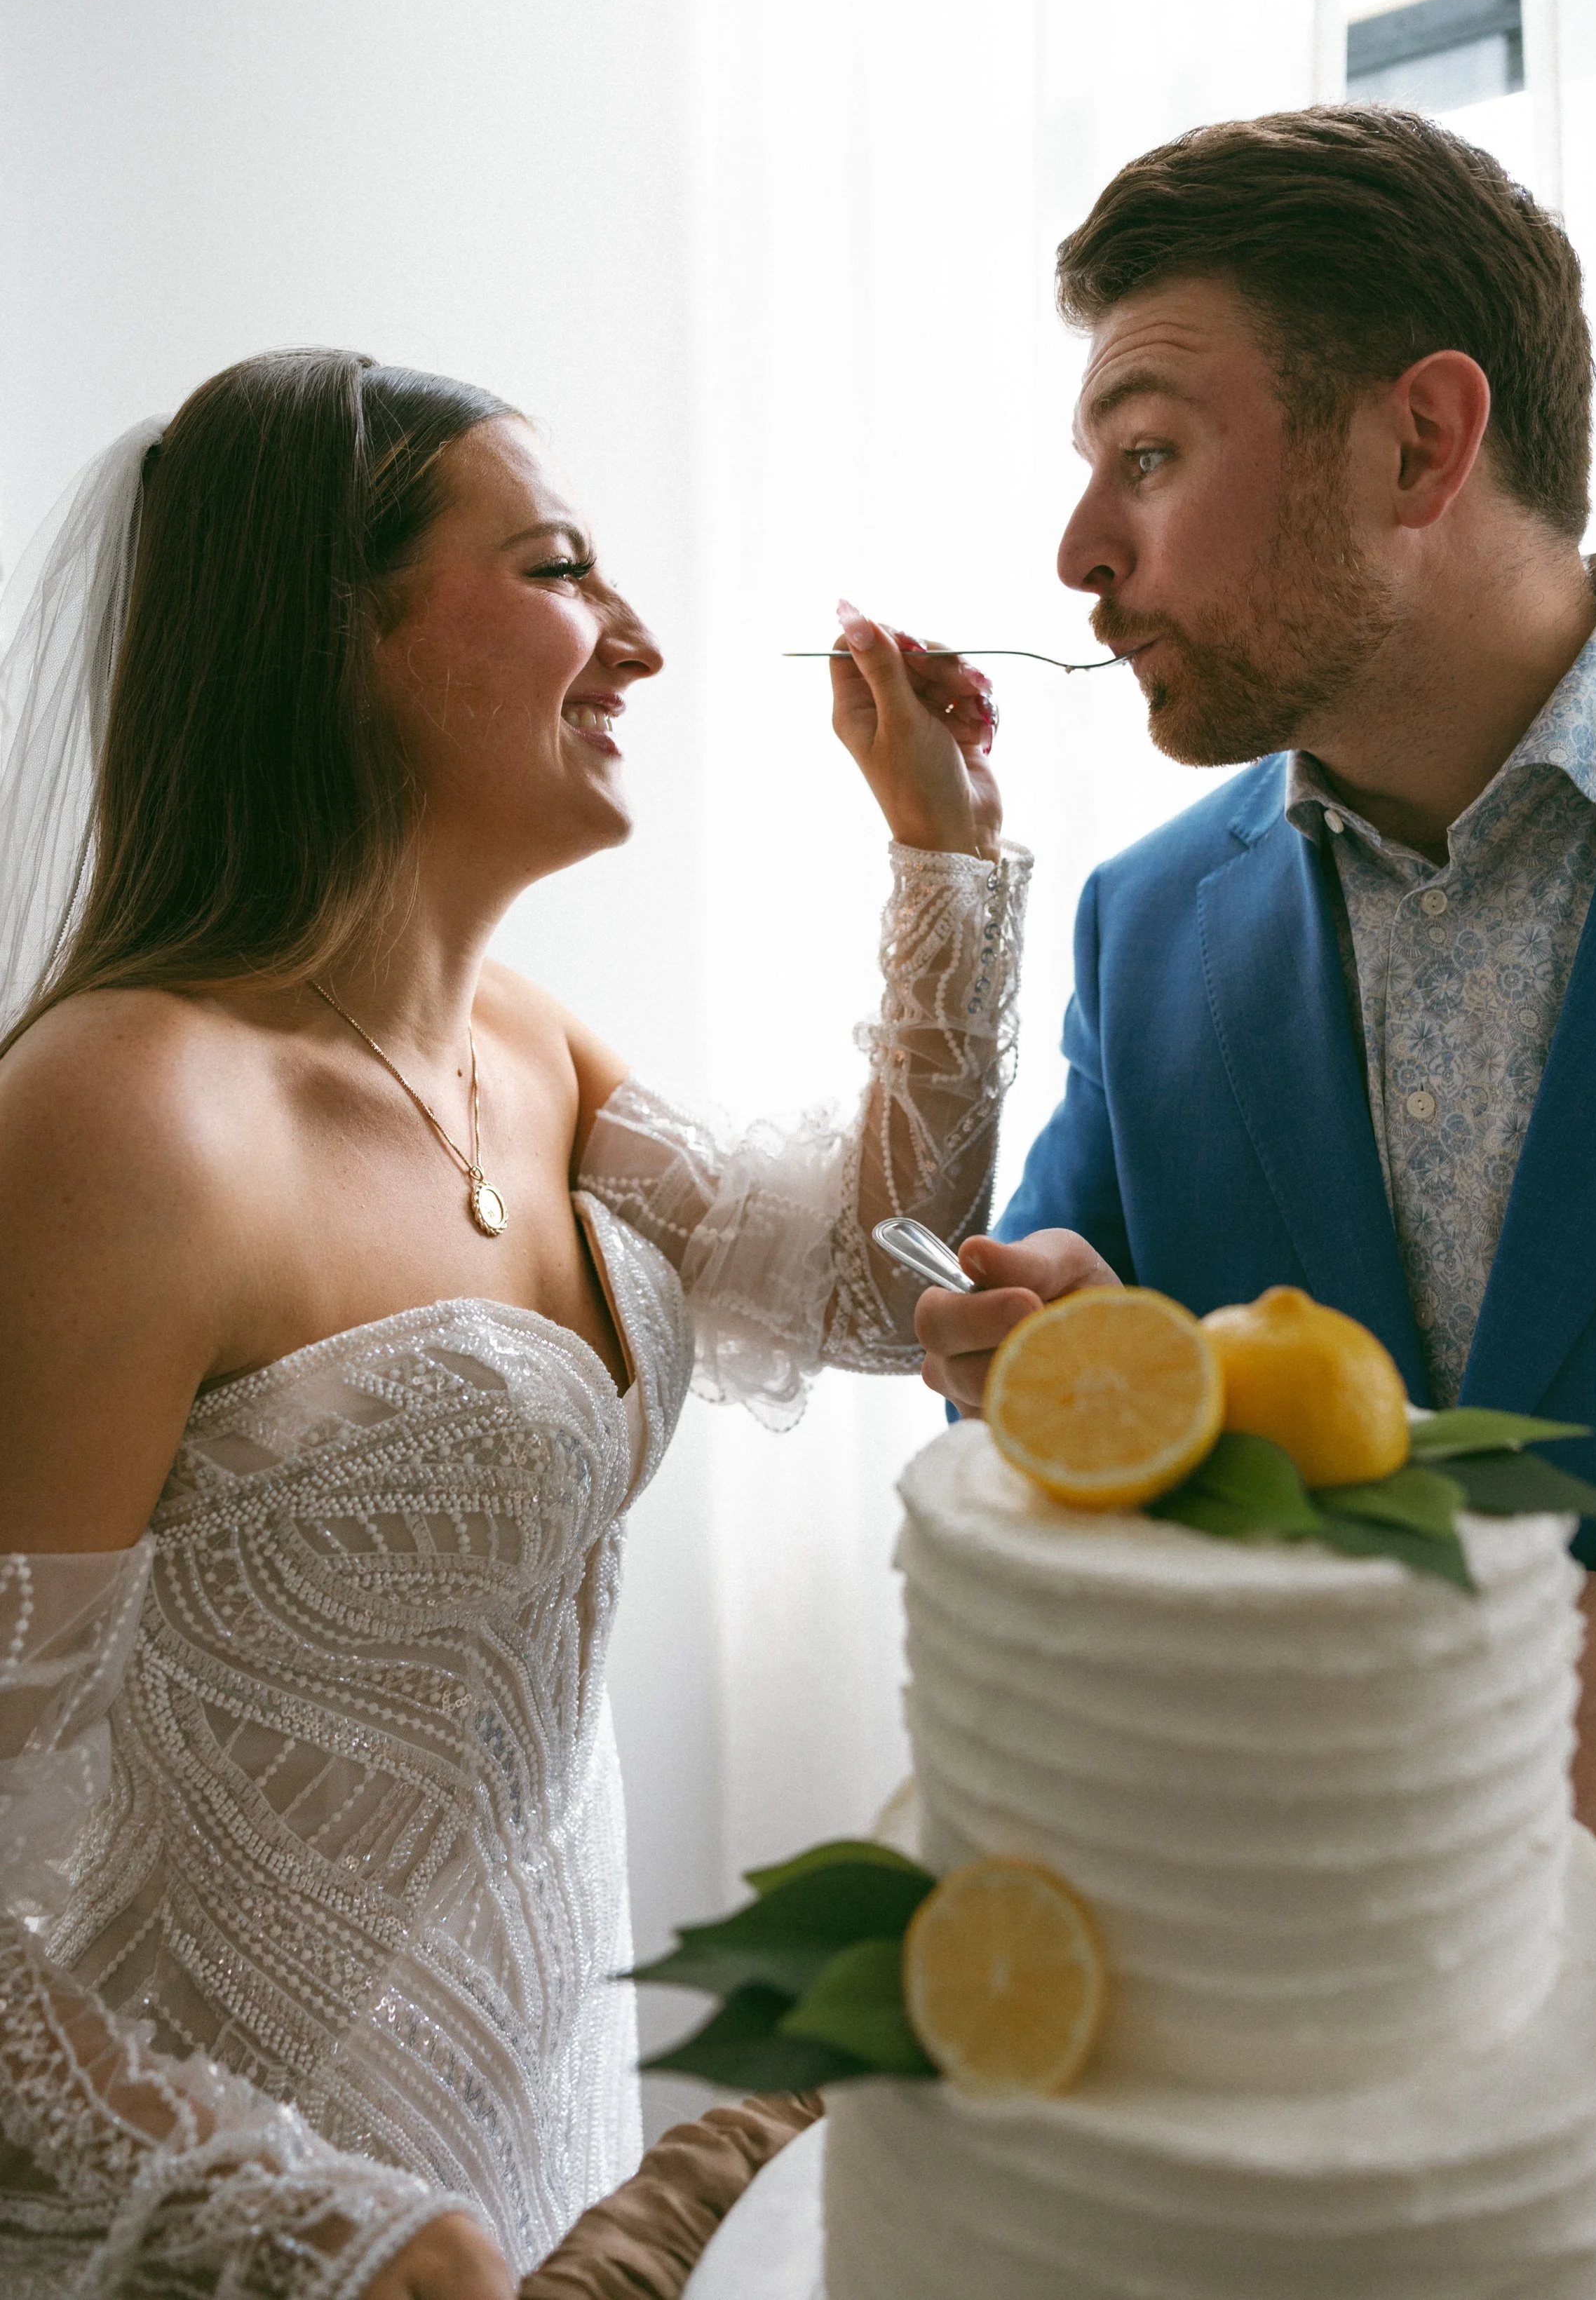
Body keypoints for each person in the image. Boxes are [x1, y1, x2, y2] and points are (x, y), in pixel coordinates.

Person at [0, 350, 1029, 2299]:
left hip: (541, 2136)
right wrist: (336, 2232)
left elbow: (871, 1270)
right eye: (560, 567)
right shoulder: (128, 1114)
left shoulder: (526, 1051)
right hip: (261, 2230)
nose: (633, 638)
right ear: (333, 636)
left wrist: (946, 848)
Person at [914, 104, 1596, 2191]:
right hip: (1320, 2100)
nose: (1076, 556)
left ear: (1419, 442)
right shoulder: (1140, 921)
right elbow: (1067, 1371)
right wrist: (1051, 1353)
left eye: (1148, 451)